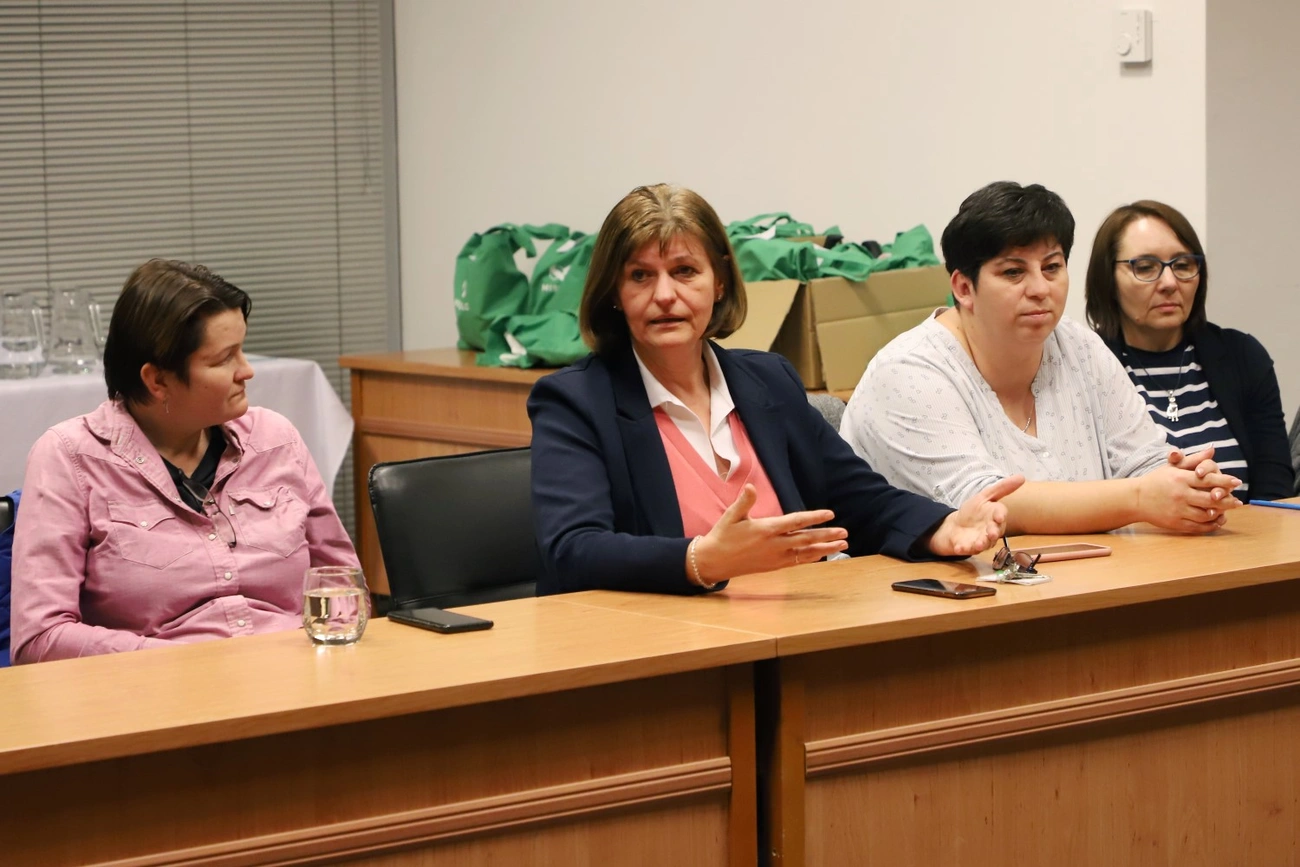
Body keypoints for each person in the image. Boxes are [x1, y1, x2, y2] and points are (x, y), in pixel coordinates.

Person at [527, 183, 1022, 595]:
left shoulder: (767, 381)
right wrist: (700, 560)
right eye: (640, 276)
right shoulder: (576, 402)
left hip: (793, 637)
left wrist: (942, 527)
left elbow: (861, 500)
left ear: (719, 281)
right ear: (615, 293)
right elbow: (573, 549)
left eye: (684, 271)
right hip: (661, 646)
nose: (664, 295)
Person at [840, 181, 1242, 536]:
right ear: (963, 287)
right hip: (928, 588)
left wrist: (1188, 484)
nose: (1040, 289)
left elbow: (1144, 462)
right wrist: (1141, 498)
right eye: (1013, 273)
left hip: (1084, 579)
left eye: (1052, 267)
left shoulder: (1079, 346)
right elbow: (986, 504)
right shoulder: (908, 372)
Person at [11, 259, 359, 663]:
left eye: (242, 350)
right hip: (155, 688)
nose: (246, 371)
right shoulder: (69, 458)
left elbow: (343, 585)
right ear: (157, 380)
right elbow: (40, 639)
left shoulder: (275, 440)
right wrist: (185, 665)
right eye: (224, 359)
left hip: (295, 676)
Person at [1085, 200, 1293, 501]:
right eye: (1145, 267)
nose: (1169, 283)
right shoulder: (1087, 365)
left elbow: (1276, 493)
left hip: (1244, 530)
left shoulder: (1243, 356)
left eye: (1182, 265)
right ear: (1108, 279)